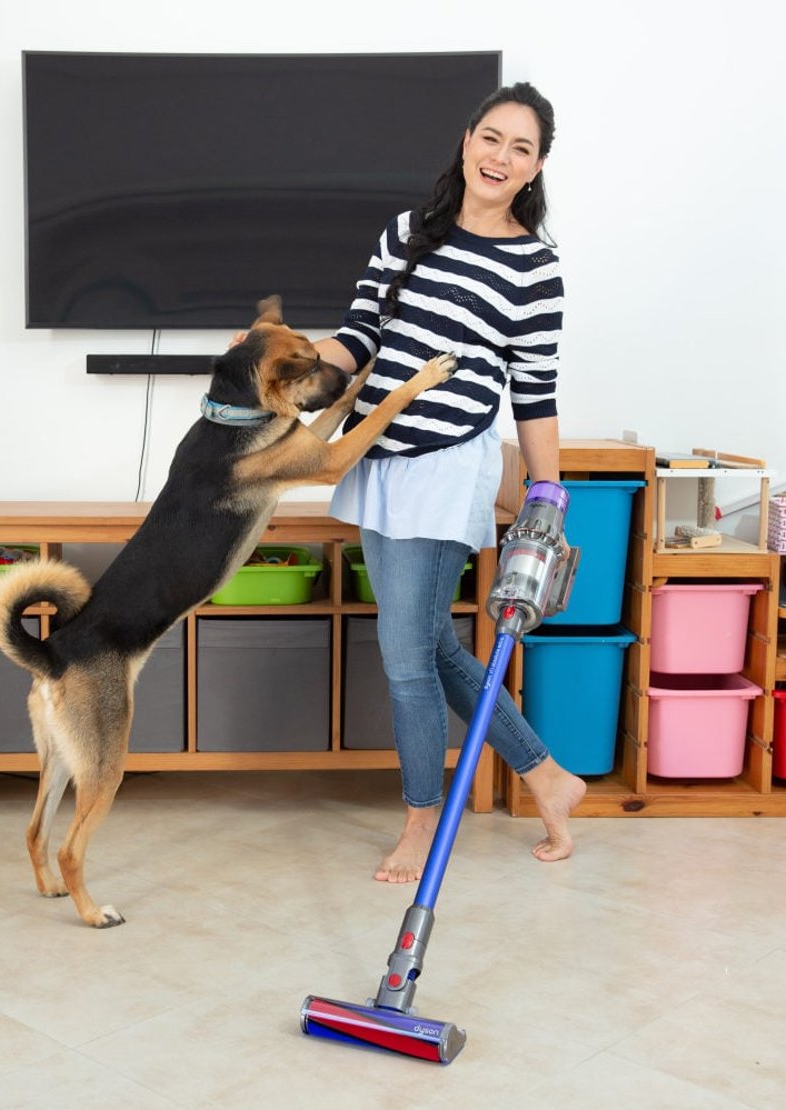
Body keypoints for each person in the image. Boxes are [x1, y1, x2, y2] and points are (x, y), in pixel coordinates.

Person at [313, 81, 587, 882]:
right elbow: (358, 334)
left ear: (536, 168)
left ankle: (422, 822)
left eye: (521, 148)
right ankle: (548, 776)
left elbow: (535, 391)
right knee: (430, 645)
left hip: (445, 467)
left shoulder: (534, 267)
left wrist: (547, 498)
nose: (501, 156)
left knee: (405, 657)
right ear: (468, 141)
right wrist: (293, 359)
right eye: (491, 138)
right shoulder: (408, 232)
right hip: (379, 457)